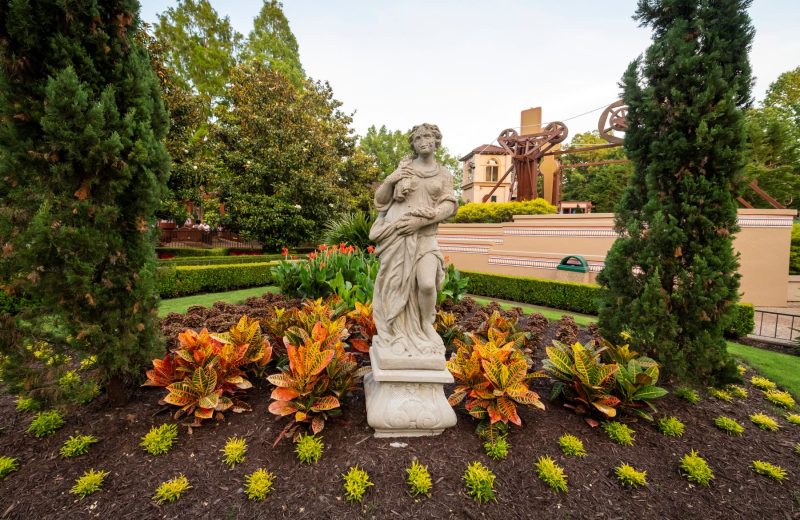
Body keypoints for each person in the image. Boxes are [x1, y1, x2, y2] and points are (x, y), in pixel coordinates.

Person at [369, 123, 457, 370]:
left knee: (427, 284)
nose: (423, 141)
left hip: (425, 235)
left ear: (436, 140)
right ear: (413, 143)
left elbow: (449, 206)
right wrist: (391, 179)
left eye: (428, 136)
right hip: (398, 234)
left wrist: (422, 220)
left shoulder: (444, 174)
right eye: (418, 137)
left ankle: (425, 325)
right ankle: (397, 332)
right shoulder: (405, 167)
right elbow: (381, 202)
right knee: (397, 285)